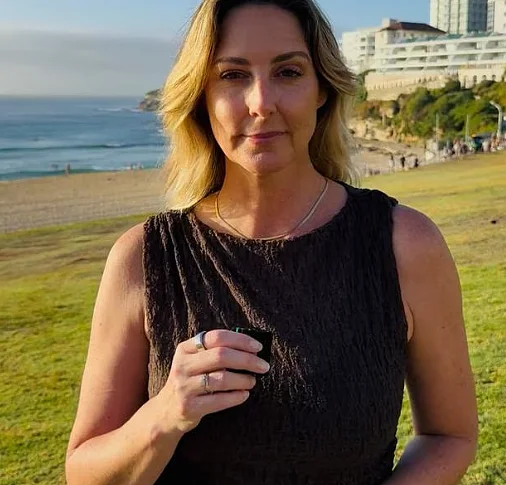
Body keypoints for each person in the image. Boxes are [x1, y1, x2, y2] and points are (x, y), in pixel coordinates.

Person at [65, 1, 478, 484]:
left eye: (288, 71)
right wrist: (165, 413)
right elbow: (84, 472)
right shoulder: (143, 257)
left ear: (322, 89)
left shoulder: (403, 244)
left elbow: (450, 436)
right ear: (201, 96)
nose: (261, 102)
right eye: (233, 75)